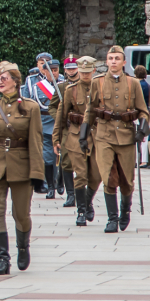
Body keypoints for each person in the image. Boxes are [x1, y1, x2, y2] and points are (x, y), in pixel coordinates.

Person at [0, 62, 45, 274]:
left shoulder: (31, 107)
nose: (0, 81)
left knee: (21, 214)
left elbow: (36, 143)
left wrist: (38, 174)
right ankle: (2, 257)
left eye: (5, 77)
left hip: (21, 167)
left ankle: (23, 246)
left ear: (16, 81)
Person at [85, 45, 150, 233]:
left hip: (127, 135)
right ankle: (112, 218)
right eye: (110, 58)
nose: (113, 61)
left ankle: (125, 211)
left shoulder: (133, 83)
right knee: (108, 177)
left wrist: (142, 131)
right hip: (103, 135)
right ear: (106, 61)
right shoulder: (97, 82)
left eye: (116, 58)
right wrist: (83, 135)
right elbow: (90, 111)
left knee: (127, 180)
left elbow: (144, 112)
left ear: (124, 62)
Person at [55, 56, 102, 226]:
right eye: (82, 71)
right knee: (80, 175)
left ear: (93, 71)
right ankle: (81, 211)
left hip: (96, 136)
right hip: (75, 136)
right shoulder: (71, 90)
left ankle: (88, 201)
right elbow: (61, 115)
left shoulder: (101, 88)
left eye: (87, 71)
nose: (84, 74)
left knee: (96, 176)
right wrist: (56, 139)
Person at [22, 52, 60, 199]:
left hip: (57, 121)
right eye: (41, 62)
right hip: (42, 121)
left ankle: (60, 182)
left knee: (63, 155)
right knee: (47, 154)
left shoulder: (61, 80)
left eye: (48, 62)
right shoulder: (32, 80)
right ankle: (49, 184)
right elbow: (27, 100)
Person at [50, 56, 80, 207]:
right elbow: (52, 106)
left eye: (74, 68)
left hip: (83, 128)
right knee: (66, 162)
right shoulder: (61, 87)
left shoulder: (87, 85)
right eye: (68, 69)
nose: (71, 71)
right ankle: (71, 195)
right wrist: (61, 117)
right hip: (67, 129)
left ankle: (83, 193)